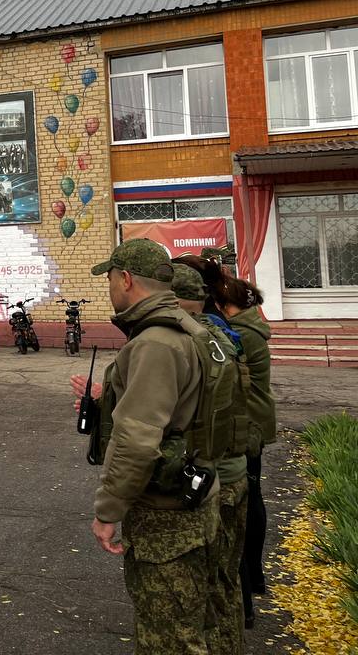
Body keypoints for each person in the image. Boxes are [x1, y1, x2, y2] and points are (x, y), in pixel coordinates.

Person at [84, 239, 222, 653]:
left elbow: (137, 439)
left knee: (171, 641)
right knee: (191, 627)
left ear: (125, 279)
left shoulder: (156, 342)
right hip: (194, 499)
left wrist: (108, 511)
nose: (109, 287)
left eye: (110, 278)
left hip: (167, 515)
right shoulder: (192, 329)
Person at [184, 257, 276, 628]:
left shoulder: (230, 330)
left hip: (243, 425)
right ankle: (252, 580)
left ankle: (246, 588)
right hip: (248, 421)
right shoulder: (241, 325)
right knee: (248, 499)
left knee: (240, 505)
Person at [171, 261, 251, 655]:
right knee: (226, 583)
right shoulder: (225, 336)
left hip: (209, 478)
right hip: (235, 472)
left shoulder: (191, 341)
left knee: (198, 594)